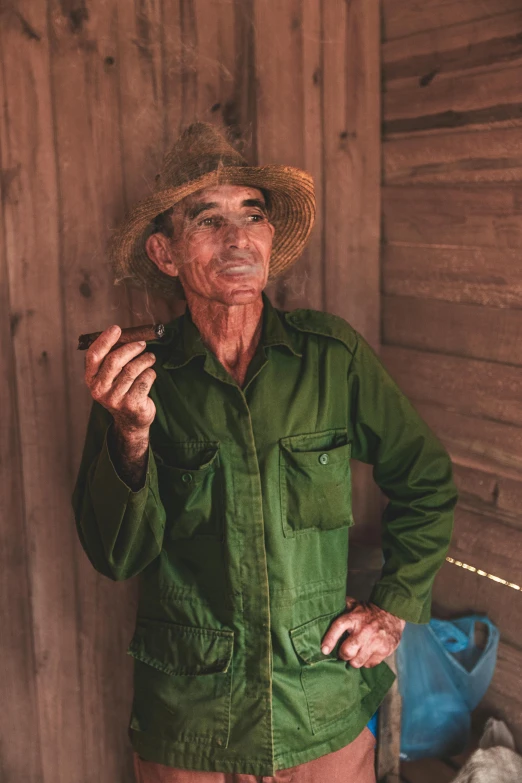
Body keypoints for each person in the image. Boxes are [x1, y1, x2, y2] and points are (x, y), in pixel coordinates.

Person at [72, 122, 457, 782]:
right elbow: (116, 556)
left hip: (320, 710)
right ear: (166, 253)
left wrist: (392, 606)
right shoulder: (138, 378)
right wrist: (130, 436)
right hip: (191, 725)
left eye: (252, 215)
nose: (237, 237)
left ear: (272, 240)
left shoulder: (331, 359)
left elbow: (426, 478)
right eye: (209, 219)